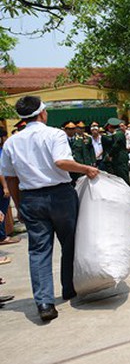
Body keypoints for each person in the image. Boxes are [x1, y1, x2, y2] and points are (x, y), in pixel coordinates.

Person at [0, 96, 99, 321]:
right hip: (60, 196)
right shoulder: (55, 134)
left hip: (31, 198)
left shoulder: (12, 142)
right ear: (42, 113)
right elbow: (61, 162)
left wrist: (19, 205)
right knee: (70, 243)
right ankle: (69, 288)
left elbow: (11, 178)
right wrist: (86, 169)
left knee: (38, 251)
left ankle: (44, 303)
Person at [103, 118, 130, 186]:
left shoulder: (118, 134)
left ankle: (128, 191)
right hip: (119, 159)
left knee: (123, 178)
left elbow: (116, 146)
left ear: (110, 127)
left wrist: (110, 155)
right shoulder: (119, 133)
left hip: (119, 159)